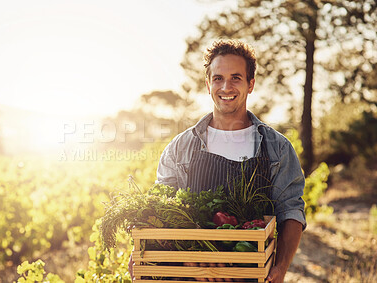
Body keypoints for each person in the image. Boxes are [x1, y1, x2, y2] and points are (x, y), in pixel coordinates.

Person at [130, 39, 306, 283]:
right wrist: (145, 248)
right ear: (207, 84)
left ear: (251, 84)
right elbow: (160, 209)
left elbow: (291, 211)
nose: (226, 87)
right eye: (218, 78)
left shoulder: (277, 148)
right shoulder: (181, 147)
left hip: (250, 274)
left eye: (236, 78)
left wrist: (281, 266)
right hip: (191, 275)